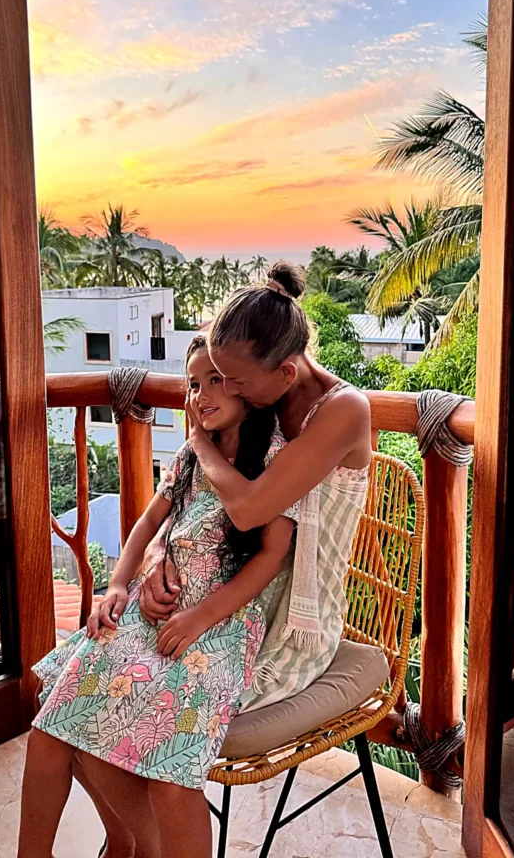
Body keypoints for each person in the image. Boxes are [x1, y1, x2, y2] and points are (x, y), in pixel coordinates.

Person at [17, 336, 298, 858]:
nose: (201, 394)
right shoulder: (193, 451)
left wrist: (199, 618)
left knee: (171, 775)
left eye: (216, 380)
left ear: (245, 387)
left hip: (220, 625)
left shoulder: (275, 457)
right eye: (194, 383)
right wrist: (118, 584)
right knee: (52, 723)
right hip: (156, 610)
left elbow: (270, 556)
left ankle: (139, 842)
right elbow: (150, 520)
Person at [136, 261, 372, 712]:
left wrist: (196, 438)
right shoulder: (263, 401)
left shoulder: (343, 410)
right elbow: (191, 498)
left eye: (236, 382)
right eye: (223, 378)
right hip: (224, 587)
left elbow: (247, 510)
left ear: (286, 372)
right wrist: (156, 552)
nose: (229, 391)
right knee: (110, 682)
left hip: (292, 619)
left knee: (153, 700)